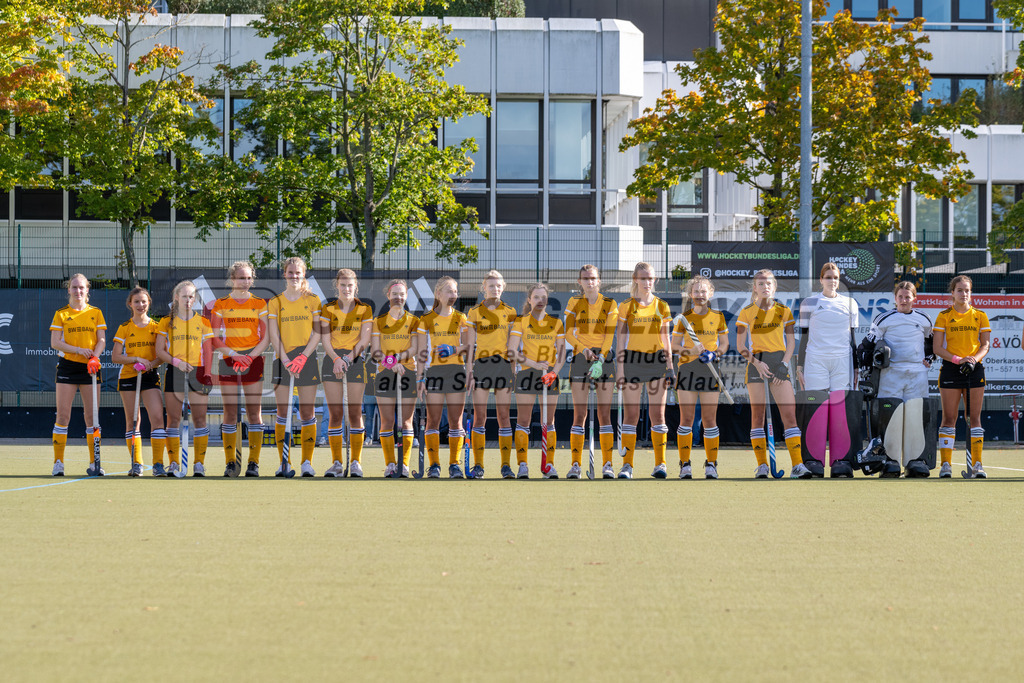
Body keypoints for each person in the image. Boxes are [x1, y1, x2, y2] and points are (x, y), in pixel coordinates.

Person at [735, 269, 809, 479]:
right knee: (757, 416)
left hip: (779, 364)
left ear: (774, 287)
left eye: (769, 283)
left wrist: (784, 365)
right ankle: (762, 466)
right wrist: (756, 363)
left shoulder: (784, 311)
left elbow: (791, 342)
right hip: (756, 363)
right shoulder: (746, 312)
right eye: (760, 284)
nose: (765, 287)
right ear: (755, 288)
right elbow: (741, 345)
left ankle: (797, 465)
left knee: (789, 415)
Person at [858, 281, 935, 477]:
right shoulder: (884, 319)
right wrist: (866, 370)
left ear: (914, 299)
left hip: (917, 374)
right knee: (891, 418)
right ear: (895, 298)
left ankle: (915, 461)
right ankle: (890, 461)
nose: (903, 300)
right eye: (900, 297)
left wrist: (929, 357)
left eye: (907, 297)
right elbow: (866, 346)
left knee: (915, 417)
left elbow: (931, 342)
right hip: (891, 374)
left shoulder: (924, 319)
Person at [796, 262, 861, 478]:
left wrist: (857, 366)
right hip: (816, 361)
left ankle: (840, 461)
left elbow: (852, 338)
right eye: (828, 277)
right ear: (821, 279)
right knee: (817, 409)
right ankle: (814, 461)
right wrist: (799, 365)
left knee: (839, 410)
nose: (832, 281)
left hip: (842, 361)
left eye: (835, 277)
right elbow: (804, 336)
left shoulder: (850, 303)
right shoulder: (809, 303)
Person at [208, 261, 270, 477]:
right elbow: (214, 338)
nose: (245, 281)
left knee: (254, 412)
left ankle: (253, 462)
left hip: (253, 360)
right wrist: (235, 355)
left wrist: (250, 357)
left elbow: (266, 337)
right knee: (230, 412)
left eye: (248, 278)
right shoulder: (221, 304)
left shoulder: (260, 303)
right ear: (232, 279)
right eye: (241, 278)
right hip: (229, 361)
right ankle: (230, 463)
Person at [614, 262, 673, 479]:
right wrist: (620, 369)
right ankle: (627, 466)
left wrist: (670, 367)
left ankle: (661, 464)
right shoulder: (626, 306)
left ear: (654, 280)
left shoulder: (662, 306)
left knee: (658, 414)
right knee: (631, 414)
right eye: (643, 278)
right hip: (632, 361)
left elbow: (666, 338)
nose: (647, 282)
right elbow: (620, 340)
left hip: (657, 362)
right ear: (635, 279)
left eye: (651, 278)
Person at [267, 256, 322, 477]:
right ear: (284, 274)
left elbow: (318, 333)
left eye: (298, 273)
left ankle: (307, 463)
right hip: (282, 359)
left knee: (307, 412)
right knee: (283, 412)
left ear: (303, 274)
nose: (294, 276)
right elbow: (273, 334)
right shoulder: (275, 302)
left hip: (306, 358)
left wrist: (302, 358)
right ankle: (284, 463)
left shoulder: (314, 300)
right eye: (290, 273)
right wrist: (287, 360)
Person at [933, 274, 990, 478]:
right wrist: (958, 360)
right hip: (951, 369)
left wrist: (973, 360)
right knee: (949, 418)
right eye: (959, 290)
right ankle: (946, 465)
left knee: (974, 418)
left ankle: (977, 465)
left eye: (967, 290)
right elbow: (937, 348)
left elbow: (985, 345)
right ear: (952, 293)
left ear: (971, 293)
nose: (963, 294)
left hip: (975, 370)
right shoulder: (944, 316)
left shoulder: (980, 315)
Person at [671, 275, 728, 480]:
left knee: (709, 419)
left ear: (710, 293)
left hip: (710, 368)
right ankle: (685, 464)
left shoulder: (718, 317)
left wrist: (714, 354)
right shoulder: (684, 318)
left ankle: (711, 464)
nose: (700, 295)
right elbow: (674, 346)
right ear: (690, 294)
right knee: (686, 418)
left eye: (703, 291)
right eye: (696, 291)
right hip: (687, 370)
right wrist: (692, 350)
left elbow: (724, 344)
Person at [564, 265, 618, 479]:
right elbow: (568, 333)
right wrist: (583, 350)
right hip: (580, 357)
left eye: (593, 278)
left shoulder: (610, 304)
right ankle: (576, 465)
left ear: (599, 281)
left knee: (604, 414)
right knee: (580, 414)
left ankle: (607, 464)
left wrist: (601, 358)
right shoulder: (574, 303)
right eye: (585, 278)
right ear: (580, 282)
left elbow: (609, 335)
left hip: (604, 359)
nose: (589, 282)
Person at [49, 274, 106, 476]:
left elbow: (101, 340)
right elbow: (55, 343)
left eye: (82, 287)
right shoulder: (61, 314)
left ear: (87, 290)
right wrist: (77, 350)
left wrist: (94, 357)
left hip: (90, 368)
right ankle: (58, 463)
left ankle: (94, 463)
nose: (78, 291)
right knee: (63, 415)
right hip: (68, 367)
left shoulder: (96, 312)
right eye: (74, 287)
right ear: (69, 290)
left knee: (92, 417)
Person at [155, 280, 214, 477]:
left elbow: (208, 351)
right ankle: (173, 463)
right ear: (176, 298)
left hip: (197, 372)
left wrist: (206, 372)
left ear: (195, 299)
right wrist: (177, 363)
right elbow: (159, 351)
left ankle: (198, 463)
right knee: (173, 419)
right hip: (175, 370)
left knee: (199, 419)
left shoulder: (203, 322)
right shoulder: (166, 322)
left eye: (191, 297)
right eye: (184, 296)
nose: (188, 300)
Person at [508, 283, 566, 479]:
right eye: (536, 297)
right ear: (529, 300)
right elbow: (512, 351)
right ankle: (522, 465)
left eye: (543, 297)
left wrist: (554, 372)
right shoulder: (521, 322)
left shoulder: (556, 323)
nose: (540, 301)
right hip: (527, 374)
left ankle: (548, 465)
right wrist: (534, 364)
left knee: (548, 422)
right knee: (523, 421)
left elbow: (561, 353)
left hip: (549, 375)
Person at [319, 268, 372, 478]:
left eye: (350, 285)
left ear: (355, 286)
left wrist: (348, 359)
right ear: (337, 286)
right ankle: (337, 463)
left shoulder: (365, 309)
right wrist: (336, 359)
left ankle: (356, 462)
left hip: (355, 360)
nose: (346, 289)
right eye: (343, 285)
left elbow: (365, 339)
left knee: (355, 413)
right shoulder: (328, 308)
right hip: (332, 360)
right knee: (335, 414)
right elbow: (325, 339)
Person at [465, 271, 518, 478]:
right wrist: (469, 371)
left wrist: (513, 370)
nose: (494, 289)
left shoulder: (511, 312)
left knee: (504, 416)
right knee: (480, 417)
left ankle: (506, 466)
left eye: (498, 286)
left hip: (503, 366)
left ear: (503, 287)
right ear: (483, 288)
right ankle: (479, 466)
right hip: (481, 366)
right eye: (490, 286)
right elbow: (469, 345)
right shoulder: (474, 312)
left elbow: (514, 345)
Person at [417, 276, 470, 478]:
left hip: (456, 370)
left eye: (455, 291)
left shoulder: (461, 318)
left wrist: (454, 349)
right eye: (449, 291)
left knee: (456, 422)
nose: (453, 295)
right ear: (438, 294)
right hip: (435, 372)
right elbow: (422, 352)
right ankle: (434, 465)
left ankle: (454, 465)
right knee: (433, 421)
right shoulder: (427, 319)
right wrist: (420, 378)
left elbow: (469, 346)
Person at [111, 287, 166, 477]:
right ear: (130, 304)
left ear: (149, 303)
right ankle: (137, 464)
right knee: (133, 421)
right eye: (136, 302)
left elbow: (162, 355)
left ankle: (158, 465)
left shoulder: (157, 326)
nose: (140, 305)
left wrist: (150, 364)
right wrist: (136, 360)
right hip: (128, 377)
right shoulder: (124, 327)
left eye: (144, 301)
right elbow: (116, 357)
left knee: (157, 418)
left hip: (150, 376)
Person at [371, 279, 419, 478]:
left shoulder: (414, 321)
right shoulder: (378, 322)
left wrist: (398, 358)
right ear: (388, 296)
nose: (398, 297)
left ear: (406, 296)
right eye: (394, 294)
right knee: (387, 420)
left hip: (408, 371)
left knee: (406, 421)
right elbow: (375, 352)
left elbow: (415, 348)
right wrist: (391, 363)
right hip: (385, 373)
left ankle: (404, 465)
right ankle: (390, 464)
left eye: (402, 294)